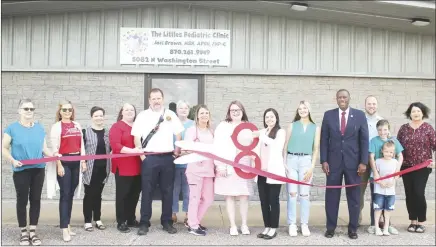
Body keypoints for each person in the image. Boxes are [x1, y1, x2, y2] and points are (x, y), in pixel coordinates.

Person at [1, 98, 55, 246]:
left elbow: (44, 149)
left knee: (36, 200)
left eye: (32, 109)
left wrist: (55, 156)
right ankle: (23, 232)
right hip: (21, 170)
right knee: (22, 200)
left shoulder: (39, 128)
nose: (29, 111)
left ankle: (33, 232)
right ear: (19, 111)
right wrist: (12, 160)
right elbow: (4, 148)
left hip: (38, 169)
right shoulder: (12, 128)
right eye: (26, 109)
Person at [132, 88, 184, 235]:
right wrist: (143, 156)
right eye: (153, 98)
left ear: (163, 99)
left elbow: (178, 133)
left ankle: (167, 221)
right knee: (147, 191)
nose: (156, 101)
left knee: (167, 191)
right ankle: (144, 222)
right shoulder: (142, 116)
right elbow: (136, 137)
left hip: (168, 157)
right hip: (149, 157)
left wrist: (176, 151)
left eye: (158, 98)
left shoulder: (170, 114)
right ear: (149, 100)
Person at [320, 89, 368, 239]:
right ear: (336, 99)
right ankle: (330, 228)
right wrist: (324, 160)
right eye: (340, 97)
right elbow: (324, 140)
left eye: (345, 97)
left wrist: (363, 162)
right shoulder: (328, 115)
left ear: (349, 98)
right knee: (332, 196)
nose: (342, 99)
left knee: (354, 196)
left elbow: (364, 140)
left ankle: (353, 228)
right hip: (333, 163)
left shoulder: (359, 115)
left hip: (354, 164)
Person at [47, 100, 87, 242]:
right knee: (65, 194)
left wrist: (83, 161)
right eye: (64, 110)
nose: (67, 112)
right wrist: (59, 165)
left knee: (70, 193)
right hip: (64, 161)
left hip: (77, 160)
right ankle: (64, 228)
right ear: (60, 112)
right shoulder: (56, 127)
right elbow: (54, 149)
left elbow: (81, 144)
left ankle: (67, 224)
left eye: (69, 110)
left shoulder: (77, 125)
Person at [214, 100, 252, 236]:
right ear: (229, 112)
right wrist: (220, 166)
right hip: (228, 164)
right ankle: (233, 225)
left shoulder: (248, 127)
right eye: (233, 110)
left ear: (243, 112)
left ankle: (244, 224)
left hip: (245, 165)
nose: (235, 112)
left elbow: (254, 146)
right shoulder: (223, 126)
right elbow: (217, 146)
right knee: (229, 195)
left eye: (238, 110)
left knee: (244, 195)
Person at [397, 102, 435, 233]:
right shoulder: (403, 129)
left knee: (419, 192)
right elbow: (398, 149)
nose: (416, 113)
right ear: (410, 114)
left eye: (418, 111)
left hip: (422, 167)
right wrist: (397, 167)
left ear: (423, 113)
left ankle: (421, 221)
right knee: (409, 194)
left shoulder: (428, 128)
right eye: (413, 111)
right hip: (406, 166)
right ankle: (412, 221)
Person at [284, 101, 320, 237]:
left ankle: (304, 224)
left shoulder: (315, 128)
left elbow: (315, 148)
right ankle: (292, 224)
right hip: (291, 161)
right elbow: (286, 145)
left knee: (304, 195)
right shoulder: (292, 126)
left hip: (306, 161)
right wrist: (285, 163)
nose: (302, 110)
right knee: (292, 195)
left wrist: (312, 167)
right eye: (300, 108)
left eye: (305, 108)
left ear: (309, 110)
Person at [252, 108, 286, 240]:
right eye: (267, 117)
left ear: (276, 118)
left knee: (273, 200)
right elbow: (250, 136)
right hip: (261, 172)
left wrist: (261, 136)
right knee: (264, 201)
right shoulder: (263, 131)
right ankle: (267, 226)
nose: (269, 119)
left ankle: (273, 228)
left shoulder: (280, 132)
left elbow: (277, 146)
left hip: (274, 173)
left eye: (272, 117)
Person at [109, 103, 142, 233]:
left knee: (134, 195)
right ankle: (121, 221)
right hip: (123, 166)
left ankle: (131, 219)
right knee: (123, 195)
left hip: (138, 165)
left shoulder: (138, 126)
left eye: (132, 110)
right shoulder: (117, 126)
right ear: (121, 112)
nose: (129, 112)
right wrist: (133, 151)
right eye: (126, 110)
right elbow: (116, 145)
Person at [183, 105, 215, 236]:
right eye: (201, 113)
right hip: (195, 170)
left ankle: (194, 220)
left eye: (206, 113)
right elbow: (185, 149)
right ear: (197, 116)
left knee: (208, 199)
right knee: (194, 198)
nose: (204, 115)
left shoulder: (212, 132)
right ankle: (193, 225)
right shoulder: (191, 131)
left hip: (209, 170)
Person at [368, 119, 402, 235]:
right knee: (377, 200)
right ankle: (375, 225)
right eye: (380, 130)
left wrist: (397, 172)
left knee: (389, 202)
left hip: (390, 177)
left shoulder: (394, 141)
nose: (383, 132)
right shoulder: (373, 141)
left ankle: (387, 225)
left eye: (385, 129)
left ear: (389, 130)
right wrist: (376, 174)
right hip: (377, 175)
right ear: (377, 130)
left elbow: (400, 156)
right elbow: (371, 157)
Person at [82, 106, 111, 232]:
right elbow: (81, 150)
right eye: (96, 116)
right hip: (89, 169)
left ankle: (98, 219)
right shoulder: (85, 132)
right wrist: (83, 162)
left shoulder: (107, 132)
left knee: (98, 194)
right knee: (89, 194)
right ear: (91, 117)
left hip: (103, 168)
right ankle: (87, 221)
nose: (99, 118)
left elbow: (110, 149)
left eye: (101, 115)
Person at [359, 95, 383, 232]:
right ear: (365, 105)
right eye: (369, 104)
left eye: (374, 103)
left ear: (377, 105)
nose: (372, 106)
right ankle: (356, 220)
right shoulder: (360, 120)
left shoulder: (382, 121)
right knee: (359, 192)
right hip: (362, 161)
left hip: (377, 162)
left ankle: (375, 221)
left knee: (377, 192)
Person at [172, 100, 195, 226]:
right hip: (173, 162)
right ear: (177, 110)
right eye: (181, 108)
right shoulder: (171, 124)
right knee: (174, 189)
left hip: (189, 163)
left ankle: (188, 214)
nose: (183, 110)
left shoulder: (193, 124)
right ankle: (173, 213)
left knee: (188, 190)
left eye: (186, 108)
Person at [372, 141, 400, 236]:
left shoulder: (395, 162)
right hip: (379, 190)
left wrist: (392, 181)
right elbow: (375, 176)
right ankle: (376, 228)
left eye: (391, 152)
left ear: (394, 153)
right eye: (386, 151)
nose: (389, 154)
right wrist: (380, 182)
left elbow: (397, 176)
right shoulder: (378, 161)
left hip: (391, 192)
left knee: (388, 210)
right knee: (378, 209)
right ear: (382, 151)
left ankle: (386, 228)